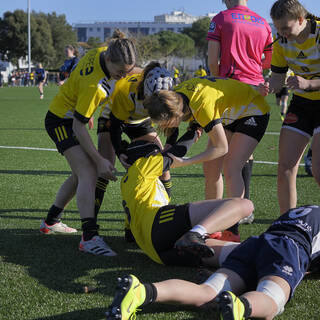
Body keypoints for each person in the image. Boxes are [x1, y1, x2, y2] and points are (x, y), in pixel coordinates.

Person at [106, 204, 320, 320]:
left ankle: (141, 291)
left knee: (206, 292)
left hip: (255, 244)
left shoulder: (309, 209)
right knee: (272, 301)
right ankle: (241, 307)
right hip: (289, 248)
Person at [40, 31, 137, 256]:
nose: (123, 77)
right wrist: (100, 160)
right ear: (110, 61)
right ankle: (89, 238)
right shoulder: (96, 86)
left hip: (73, 115)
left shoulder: (102, 51)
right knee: (89, 172)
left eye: (128, 72)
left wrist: (86, 109)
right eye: (120, 72)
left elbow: (78, 79)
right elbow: (77, 127)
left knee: (79, 174)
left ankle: (51, 221)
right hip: (60, 121)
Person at [144, 76, 270, 241]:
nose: (162, 127)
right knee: (210, 169)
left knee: (232, 167)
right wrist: (169, 146)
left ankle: (232, 230)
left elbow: (221, 147)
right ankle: (214, 226)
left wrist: (185, 162)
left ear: (175, 116)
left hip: (253, 110)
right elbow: (176, 127)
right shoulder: (174, 98)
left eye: (164, 124)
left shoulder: (202, 106)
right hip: (229, 112)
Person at [115, 127, 253, 266]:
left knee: (244, 254)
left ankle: (195, 235)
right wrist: (194, 132)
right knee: (245, 205)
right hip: (159, 224)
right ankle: (196, 233)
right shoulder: (141, 167)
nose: (161, 154)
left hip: (157, 254)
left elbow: (129, 235)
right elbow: (176, 153)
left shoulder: (128, 183)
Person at [206, 0, 273, 225]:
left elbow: (212, 62)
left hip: (229, 94)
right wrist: (251, 66)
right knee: (237, 161)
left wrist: (222, 82)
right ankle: (241, 211)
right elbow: (268, 61)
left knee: (215, 164)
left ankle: (215, 217)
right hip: (255, 96)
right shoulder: (263, 23)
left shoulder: (221, 18)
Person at [259, 0, 320, 214]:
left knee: (318, 169)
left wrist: (309, 84)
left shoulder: (319, 33)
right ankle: (288, 225)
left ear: (302, 20)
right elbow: (277, 78)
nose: (282, 33)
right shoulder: (282, 42)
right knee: (285, 167)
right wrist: (269, 86)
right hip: (302, 103)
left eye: (286, 27)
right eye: (278, 28)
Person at [96, 63, 173, 228]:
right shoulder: (127, 92)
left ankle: (165, 215)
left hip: (138, 121)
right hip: (111, 118)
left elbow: (172, 124)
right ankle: (91, 224)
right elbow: (115, 126)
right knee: (105, 170)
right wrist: (119, 151)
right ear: (145, 91)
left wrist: (170, 146)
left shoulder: (166, 95)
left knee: (162, 168)